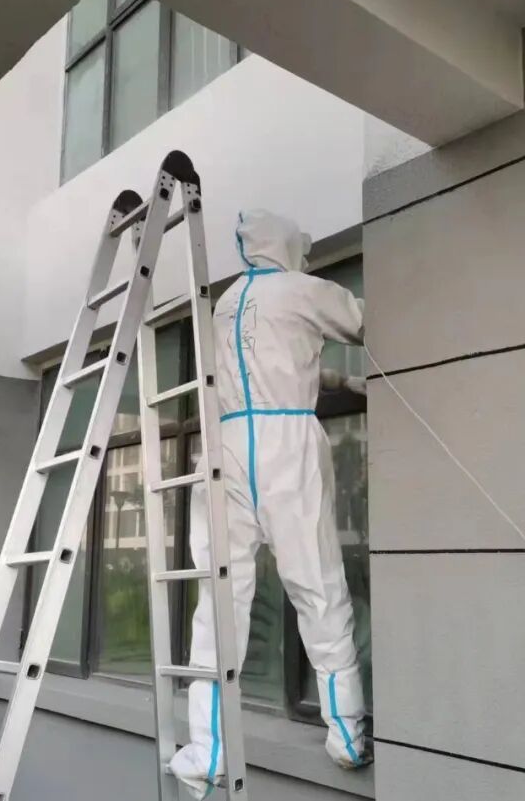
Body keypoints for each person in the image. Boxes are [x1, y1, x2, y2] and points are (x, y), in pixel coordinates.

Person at [169, 209, 369, 798]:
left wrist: (337, 382)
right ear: (286, 245)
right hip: (287, 444)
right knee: (317, 585)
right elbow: (368, 322)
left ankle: (207, 750)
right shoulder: (302, 289)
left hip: (225, 446)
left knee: (219, 600)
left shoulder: (227, 304)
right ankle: (347, 733)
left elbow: (269, 363)